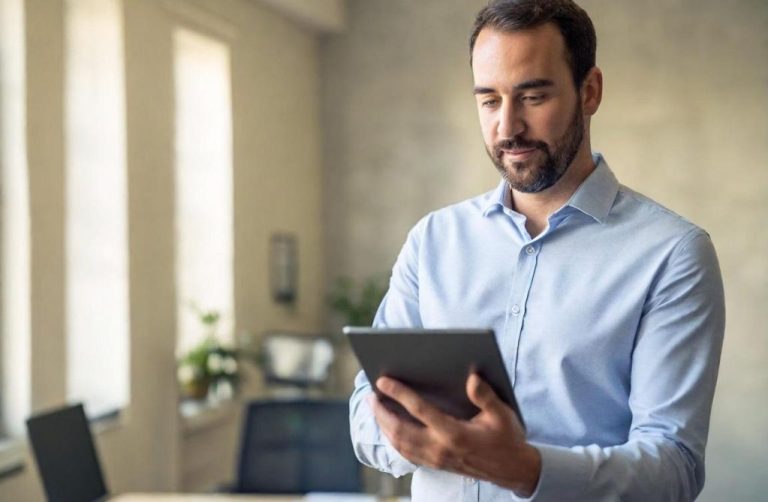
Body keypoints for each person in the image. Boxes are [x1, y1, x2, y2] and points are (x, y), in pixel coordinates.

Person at [348, 0, 726, 500]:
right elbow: (364, 413)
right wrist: (423, 438)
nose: (508, 127)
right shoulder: (433, 241)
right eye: (489, 100)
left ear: (589, 92)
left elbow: (673, 467)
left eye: (532, 96)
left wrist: (526, 469)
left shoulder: (674, 254)